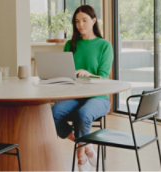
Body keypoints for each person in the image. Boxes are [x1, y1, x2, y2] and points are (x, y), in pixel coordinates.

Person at [51, 5, 113, 170]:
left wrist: (88, 74)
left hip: (98, 97)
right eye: (77, 21)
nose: (80, 25)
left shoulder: (104, 46)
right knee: (53, 113)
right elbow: (64, 73)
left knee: (83, 114)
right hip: (74, 95)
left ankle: (80, 153)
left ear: (93, 21)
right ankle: (86, 146)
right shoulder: (70, 45)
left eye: (84, 20)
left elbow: (104, 77)